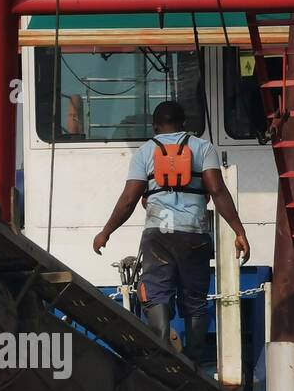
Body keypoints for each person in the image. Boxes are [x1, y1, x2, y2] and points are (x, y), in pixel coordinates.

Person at [93, 100, 250, 361]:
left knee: (155, 294)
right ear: (184, 124)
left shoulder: (145, 153)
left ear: (155, 127)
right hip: (194, 235)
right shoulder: (202, 148)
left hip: (158, 235)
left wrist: (106, 231)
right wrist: (239, 231)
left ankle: (161, 353)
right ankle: (195, 363)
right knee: (195, 301)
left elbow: (129, 199)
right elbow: (218, 190)